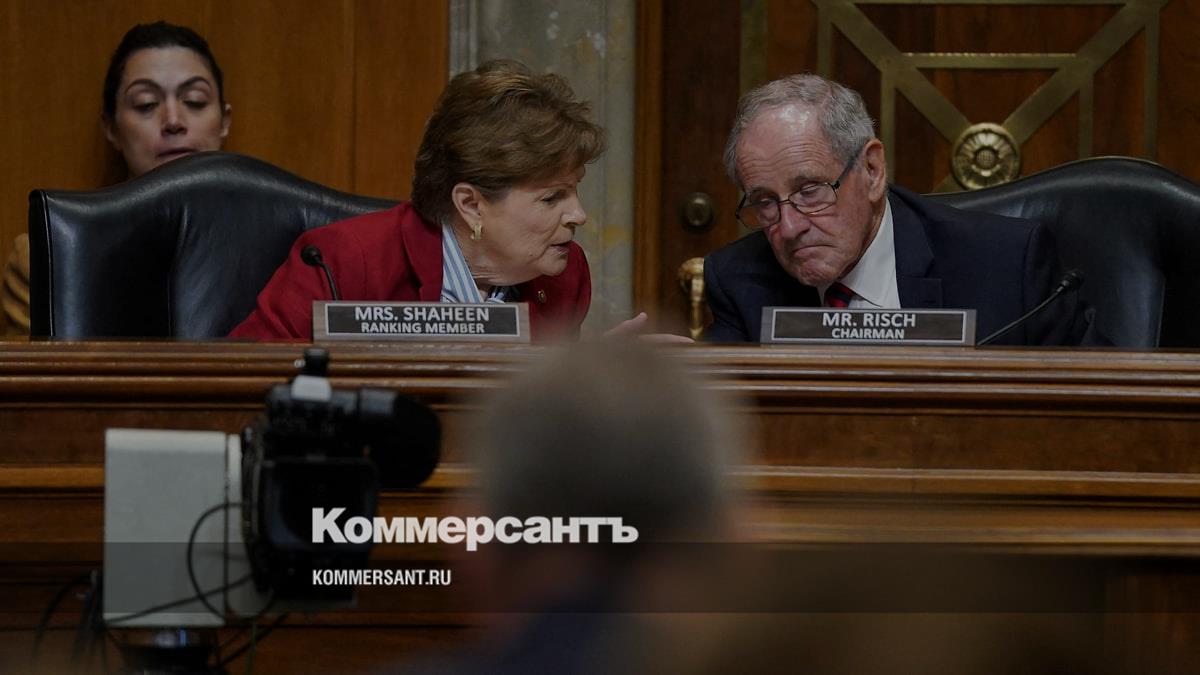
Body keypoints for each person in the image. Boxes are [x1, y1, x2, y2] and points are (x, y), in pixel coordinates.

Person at [702, 73, 1092, 345]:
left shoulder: (1006, 265)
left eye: (810, 192)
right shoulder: (739, 279)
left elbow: (1098, 405)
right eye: (765, 203)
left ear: (871, 171)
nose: (788, 228)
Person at [230, 60, 602, 342]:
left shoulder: (564, 276)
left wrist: (589, 385)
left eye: (575, 189)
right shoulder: (342, 261)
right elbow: (241, 386)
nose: (578, 214)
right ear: (471, 205)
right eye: (552, 197)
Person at [2, 21, 231, 335]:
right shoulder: (51, 256)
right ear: (111, 127)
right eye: (146, 104)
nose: (174, 121)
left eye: (194, 100)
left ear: (224, 121)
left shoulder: (284, 248)